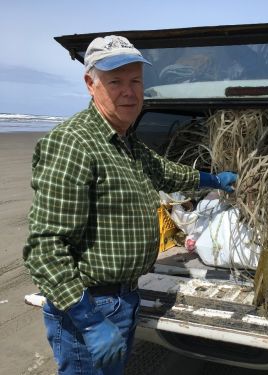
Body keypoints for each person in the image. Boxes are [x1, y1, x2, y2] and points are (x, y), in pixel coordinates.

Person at [23, 35, 237, 374]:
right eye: (115, 82)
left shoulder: (125, 141)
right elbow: (45, 249)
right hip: (91, 304)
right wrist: (89, 321)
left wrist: (213, 180)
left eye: (135, 81)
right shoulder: (72, 145)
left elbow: (166, 173)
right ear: (90, 84)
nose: (129, 91)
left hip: (123, 298)